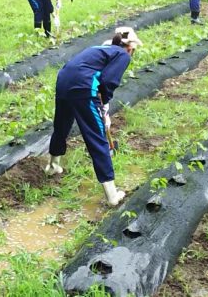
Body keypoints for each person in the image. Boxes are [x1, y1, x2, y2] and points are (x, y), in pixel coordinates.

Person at [45, 27, 143, 206]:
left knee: (61, 127)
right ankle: (112, 196)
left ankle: (52, 166)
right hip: (83, 87)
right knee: (96, 137)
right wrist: (103, 105)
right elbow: (108, 81)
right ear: (130, 48)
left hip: (63, 82)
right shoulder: (123, 55)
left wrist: (103, 104)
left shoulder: (101, 49)